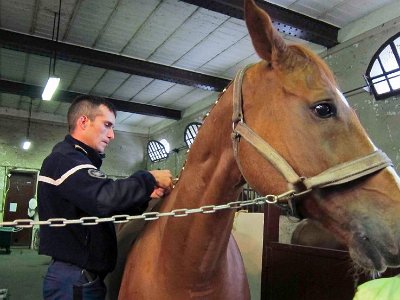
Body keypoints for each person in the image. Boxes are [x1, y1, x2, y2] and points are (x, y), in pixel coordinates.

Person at [38, 95, 173, 300]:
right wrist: (148, 178)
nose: (111, 135)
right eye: (107, 125)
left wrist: (144, 195)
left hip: (81, 277)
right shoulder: (65, 160)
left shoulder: (77, 161)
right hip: (75, 279)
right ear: (83, 122)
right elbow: (104, 198)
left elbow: (105, 208)